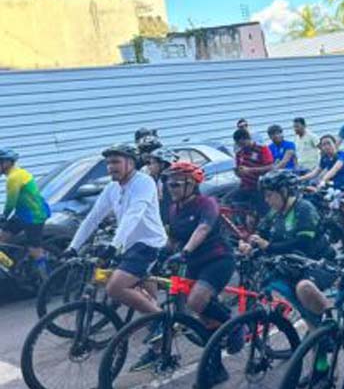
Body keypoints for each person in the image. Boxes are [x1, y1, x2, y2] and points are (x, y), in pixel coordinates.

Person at [64, 144, 167, 322]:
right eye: (108, 163)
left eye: (116, 162)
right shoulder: (112, 188)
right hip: (129, 244)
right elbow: (93, 218)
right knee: (140, 285)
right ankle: (154, 316)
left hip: (149, 243)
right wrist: (73, 247)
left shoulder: (144, 182)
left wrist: (113, 246)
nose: (111, 167)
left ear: (131, 163)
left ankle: (162, 321)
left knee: (115, 288)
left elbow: (133, 215)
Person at [161, 161, 243, 360]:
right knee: (205, 318)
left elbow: (203, 228)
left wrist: (185, 251)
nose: (170, 188)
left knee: (196, 301)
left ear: (191, 184)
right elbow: (172, 238)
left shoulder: (207, 203)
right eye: (168, 184)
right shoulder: (173, 209)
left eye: (176, 184)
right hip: (193, 263)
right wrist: (161, 254)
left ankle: (236, 326)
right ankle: (214, 364)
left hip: (217, 259)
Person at [238, 170, 337, 320]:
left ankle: (329, 324)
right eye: (264, 196)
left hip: (319, 263)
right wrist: (250, 244)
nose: (266, 200)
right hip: (293, 265)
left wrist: (269, 247)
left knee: (303, 289)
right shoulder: (274, 213)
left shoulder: (304, 208)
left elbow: (303, 243)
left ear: (284, 192)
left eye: (269, 195)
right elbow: (261, 233)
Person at [0, 148, 51, 278]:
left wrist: (4, 216)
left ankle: (48, 279)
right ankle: (12, 267)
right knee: (2, 238)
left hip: (34, 216)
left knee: (34, 249)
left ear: (7, 163)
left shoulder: (14, 177)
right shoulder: (19, 172)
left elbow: (11, 201)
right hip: (22, 214)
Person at [231, 128, 274, 215]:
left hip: (260, 187)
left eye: (243, 144)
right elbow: (240, 170)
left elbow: (270, 167)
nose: (242, 146)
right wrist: (238, 172)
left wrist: (250, 170)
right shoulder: (239, 153)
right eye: (239, 145)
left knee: (262, 212)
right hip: (245, 186)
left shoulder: (262, 149)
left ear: (248, 139)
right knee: (230, 202)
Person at [143, 148, 178, 224]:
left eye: (152, 163)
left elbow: (166, 206)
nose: (149, 167)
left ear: (162, 164)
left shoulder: (169, 181)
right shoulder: (158, 179)